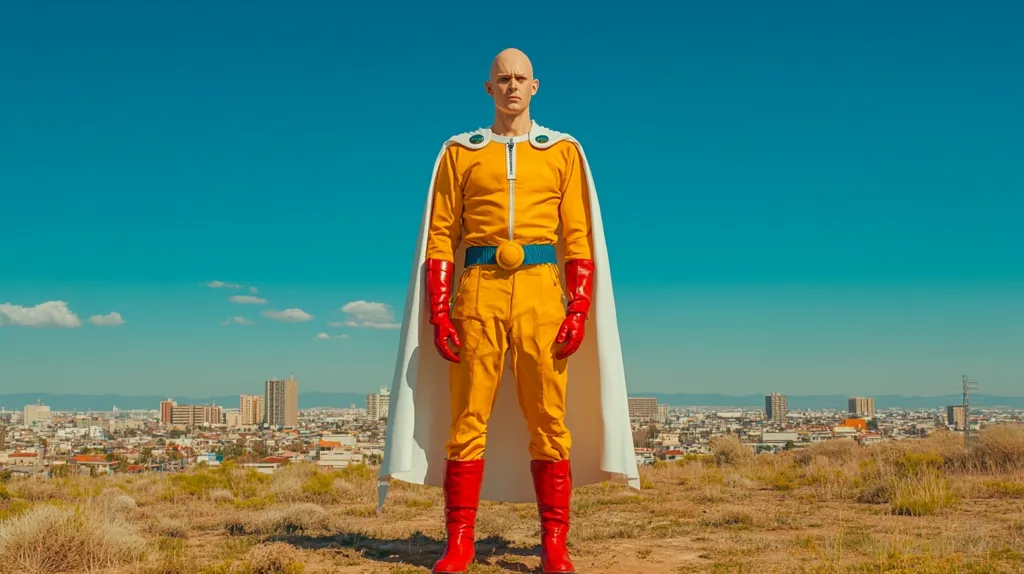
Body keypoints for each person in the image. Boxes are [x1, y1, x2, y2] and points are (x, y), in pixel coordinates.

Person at [378, 48, 640, 574]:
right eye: (503, 78)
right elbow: (441, 235)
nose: (513, 86)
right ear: (488, 88)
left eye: (521, 78)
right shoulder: (460, 151)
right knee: (467, 419)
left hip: (543, 292)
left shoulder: (562, 151)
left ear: (535, 86)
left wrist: (579, 306)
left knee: (549, 420)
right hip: (477, 291)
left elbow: (577, 236)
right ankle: (459, 543)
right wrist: (439, 310)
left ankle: (555, 546)